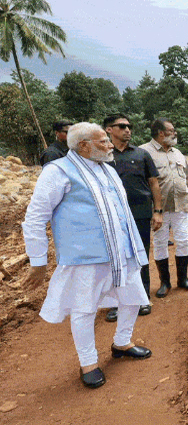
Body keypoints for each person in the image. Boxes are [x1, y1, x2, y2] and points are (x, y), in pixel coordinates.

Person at [22, 122, 152, 389]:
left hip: (122, 250)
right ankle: (89, 362)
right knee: (84, 308)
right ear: (83, 146)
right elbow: (35, 217)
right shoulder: (57, 172)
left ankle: (122, 342)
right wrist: (38, 262)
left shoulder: (108, 169)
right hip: (85, 256)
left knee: (132, 299)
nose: (109, 145)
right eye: (103, 141)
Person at [103, 113, 164, 322]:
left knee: (140, 257)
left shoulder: (142, 154)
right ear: (109, 130)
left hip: (139, 213)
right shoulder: (101, 157)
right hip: (111, 216)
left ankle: (142, 298)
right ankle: (116, 303)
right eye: (122, 126)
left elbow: (154, 183)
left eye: (129, 126)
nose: (127, 130)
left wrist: (158, 211)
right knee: (114, 258)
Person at [140, 118, 188, 298]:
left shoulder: (178, 154)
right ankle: (165, 282)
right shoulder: (144, 152)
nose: (175, 133)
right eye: (172, 130)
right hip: (159, 209)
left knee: (183, 240)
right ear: (161, 133)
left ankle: (183, 278)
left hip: (180, 205)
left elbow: (187, 180)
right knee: (160, 243)